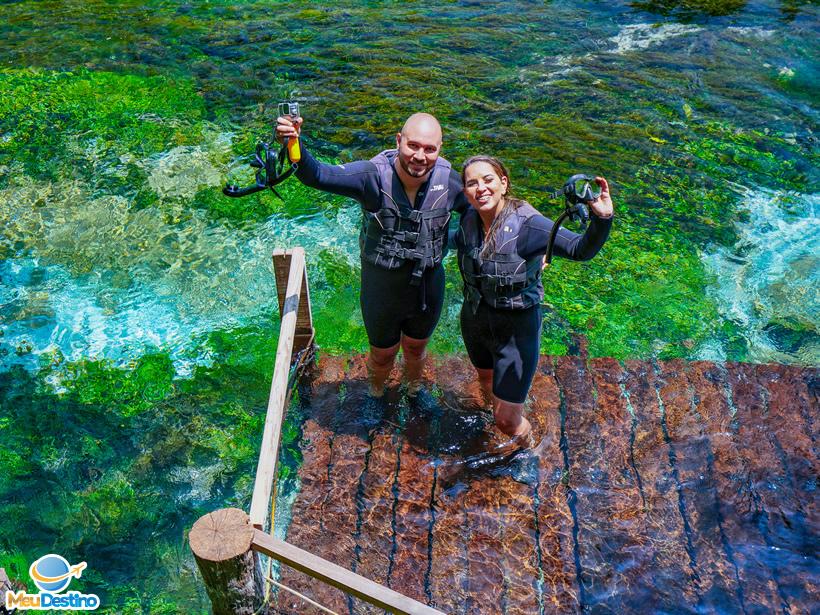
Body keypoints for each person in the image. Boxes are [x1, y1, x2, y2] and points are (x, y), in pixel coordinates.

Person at [276, 112, 468, 397]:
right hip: (382, 288)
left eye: (429, 149)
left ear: (440, 149)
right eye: (412, 145)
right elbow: (317, 174)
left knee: (416, 349)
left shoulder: (450, 183)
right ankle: (376, 393)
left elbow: (481, 212)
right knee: (382, 355)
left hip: (428, 287)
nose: (420, 156)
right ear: (398, 141)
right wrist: (294, 142)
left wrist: (520, 246)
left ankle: (414, 391)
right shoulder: (371, 177)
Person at [455, 155, 613, 446]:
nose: (481, 189)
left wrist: (601, 220)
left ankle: (528, 451)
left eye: (488, 180)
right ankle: (496, 422)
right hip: (475, 319)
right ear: (464, 191)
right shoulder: (469, 217)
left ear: (503, 183)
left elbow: (579, 250)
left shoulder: (529, 226)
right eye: (472, 183)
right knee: (486, 386)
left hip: (516, 330)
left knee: (507, 421)